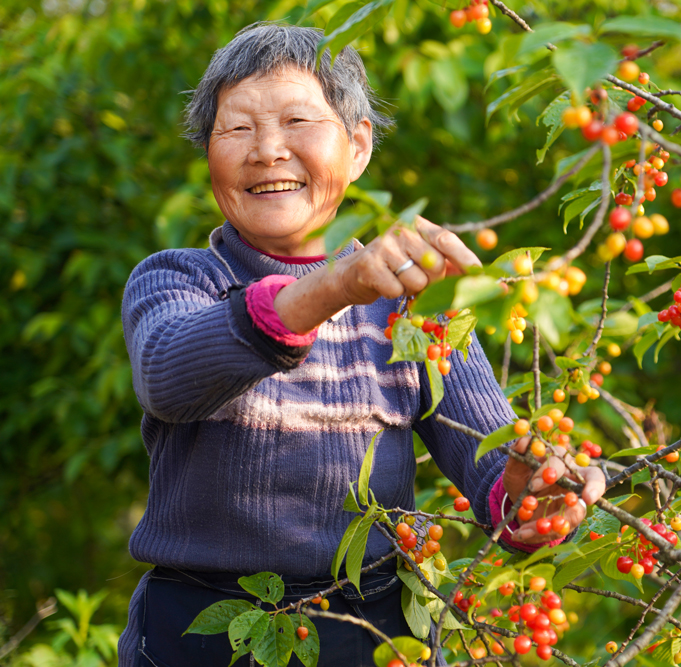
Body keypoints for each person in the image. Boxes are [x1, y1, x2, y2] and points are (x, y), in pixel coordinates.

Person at [117, 22, 606, 667]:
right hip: (202, 635)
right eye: (236, 128)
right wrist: (334, 286)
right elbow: (169, 376)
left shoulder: (409, 303)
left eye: (298, 120)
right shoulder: (179, 279)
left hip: (375, 634)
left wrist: (534, 491)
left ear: (358, 146)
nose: (267, 150)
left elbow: (489, 459)